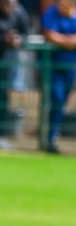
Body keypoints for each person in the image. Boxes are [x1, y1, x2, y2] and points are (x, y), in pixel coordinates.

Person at [41, 0, 76, 153]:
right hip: (52, 66)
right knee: (56, 98)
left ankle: (51, 134)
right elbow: (49, 35)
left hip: (71, 67)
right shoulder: (52, 12)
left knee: (62, 102)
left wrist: (74, 40)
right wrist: (70, 41)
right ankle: (50, 137)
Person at [0, 0, 29, 139]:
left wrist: (19, 40)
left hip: (6, 63)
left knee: (2, 97)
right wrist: (3, 39)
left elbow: (26, 34)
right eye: (6, 3)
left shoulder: (19, 12)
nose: (9, 6)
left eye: (11, 3)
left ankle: (1, 134)